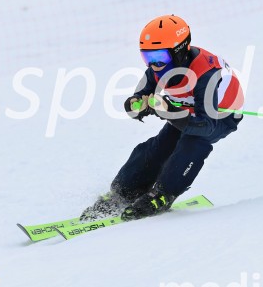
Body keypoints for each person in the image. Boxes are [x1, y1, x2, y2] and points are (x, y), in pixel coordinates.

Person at [81, 14, 244, 222]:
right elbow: (138, 98)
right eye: (147, 57)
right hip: (187, 111)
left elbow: (206, 126)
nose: (154, 64)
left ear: (179, 50)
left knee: (192, 145)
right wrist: (136, 105)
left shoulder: (206, 74)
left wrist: (167, 110)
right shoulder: (157, 69)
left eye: (160, 56)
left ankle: (163, 195)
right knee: (158, 148)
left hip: (220, 117)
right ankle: (124, 193)